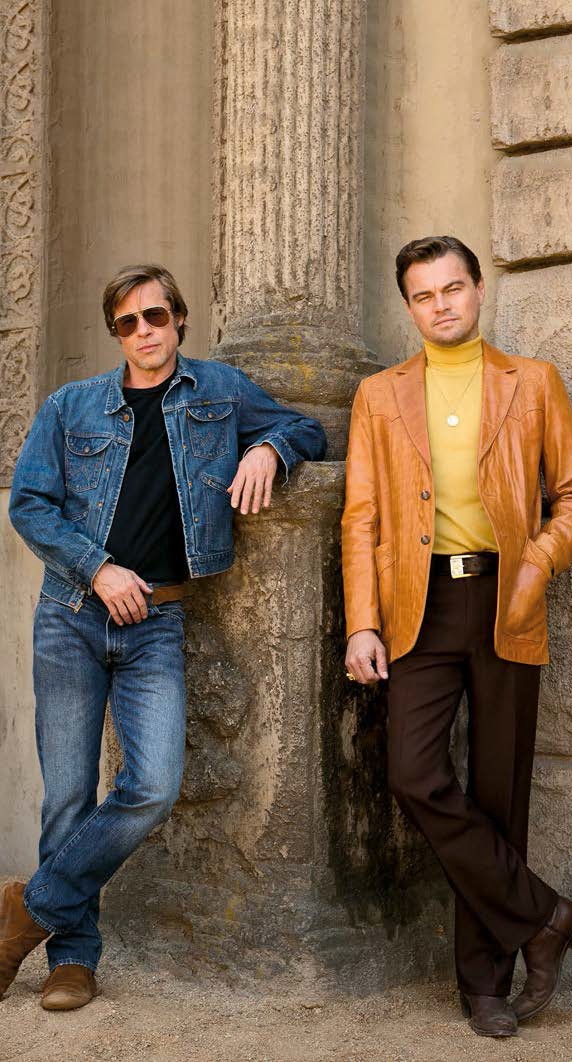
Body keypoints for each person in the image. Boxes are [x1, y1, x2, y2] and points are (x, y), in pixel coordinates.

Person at [3, 263, 326, 1011]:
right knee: (68, 796)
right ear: (115, 333)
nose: (144, 331)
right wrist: (99, 568)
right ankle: (72, 961)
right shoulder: (71, 406)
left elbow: (305, 426)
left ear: (179, 318)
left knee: (153, 785)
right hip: (71, 616)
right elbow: (30, 504)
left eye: (155, 316)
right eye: (128, 322)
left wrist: (267, 449)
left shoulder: (220, 391)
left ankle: (28, 910)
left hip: (157, 621)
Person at [341, 236, 572, 1039]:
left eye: (451, 288)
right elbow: (361, 518)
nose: (440, 305)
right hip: (415, 606)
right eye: (423, 295)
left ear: (478, 290)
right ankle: (546, 916)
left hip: (505, 601)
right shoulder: (378, 395)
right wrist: (361, 621)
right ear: (409, 307)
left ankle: (484, 985)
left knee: (498, 791)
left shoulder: (532, 382)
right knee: (413, 775)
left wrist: (536, 565)